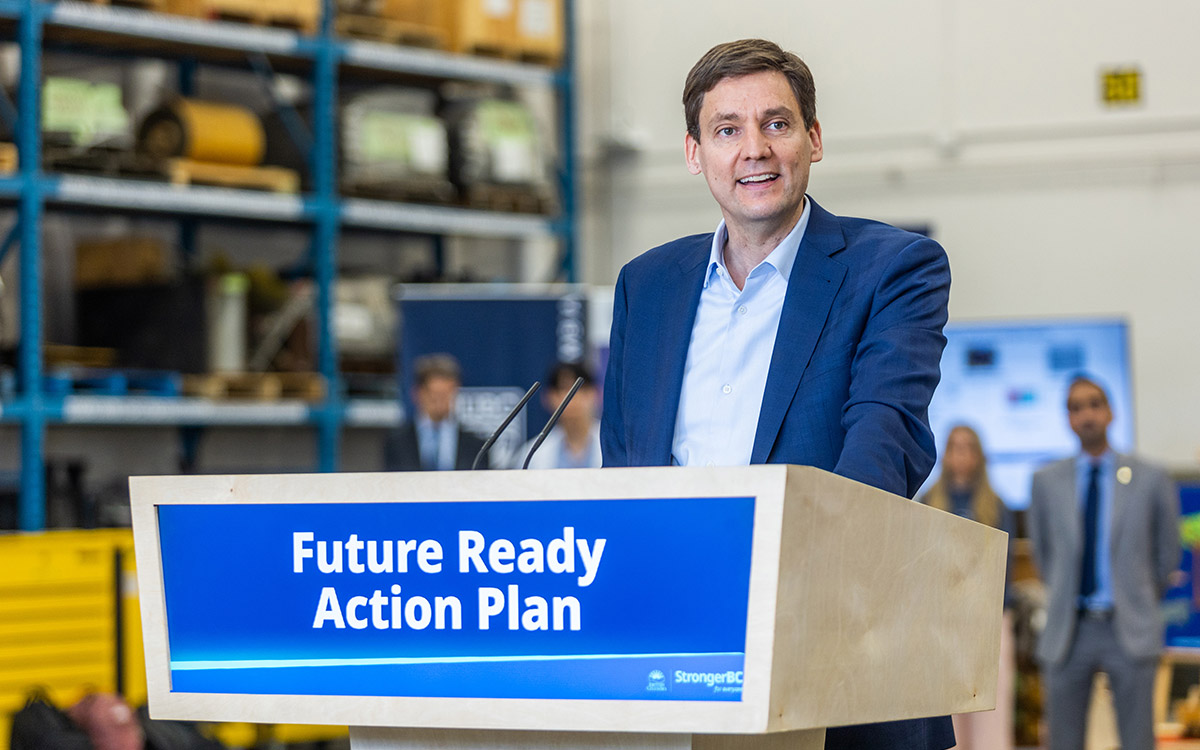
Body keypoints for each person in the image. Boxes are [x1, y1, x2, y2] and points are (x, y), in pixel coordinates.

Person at [600, 38, 953, 750]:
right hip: (675, 673)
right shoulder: (648, 284)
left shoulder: (892, 270)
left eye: (777, 123)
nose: (753, 149)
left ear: (814, 140)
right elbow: (625, 472)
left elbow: (883, 448)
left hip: (835, 665)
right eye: (726, 129)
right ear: (695, 153)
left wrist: (775, 591)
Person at [1029, 375, 1180, 750]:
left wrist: (1139, 596)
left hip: (1127, 626)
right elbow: (1043, 554)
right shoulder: (1046, 482)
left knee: (1137, 740)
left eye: (1094, 404)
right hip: (1070, 628)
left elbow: (1167, 555)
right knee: (1063, 741)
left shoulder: (1150, 478)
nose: (1086, 415)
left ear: (1110, 412)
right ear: (1068, 418)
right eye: (1076, 408)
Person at [921, 425, 1015, 750]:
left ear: (979, 455)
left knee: (991, 713)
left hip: (988, 622)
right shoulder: (927, 501)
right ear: (944, 454)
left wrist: (992, 615)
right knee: (946, 713)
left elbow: (1006, 569)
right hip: (940, 624)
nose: (961, 455)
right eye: (954, 447)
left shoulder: (996, 506)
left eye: (968, 447)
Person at [384, 353, 485, 471]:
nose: (440, 402)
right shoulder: (397, 442)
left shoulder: (477, 446)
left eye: (446, 394)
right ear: (417, 394)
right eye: (434, 395)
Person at [511, 361, 602, 470]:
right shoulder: (533, 454)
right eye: (563, 389)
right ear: (548, 398)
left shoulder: (616, 446)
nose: (573, 397)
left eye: (581, 389)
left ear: (596, 394)